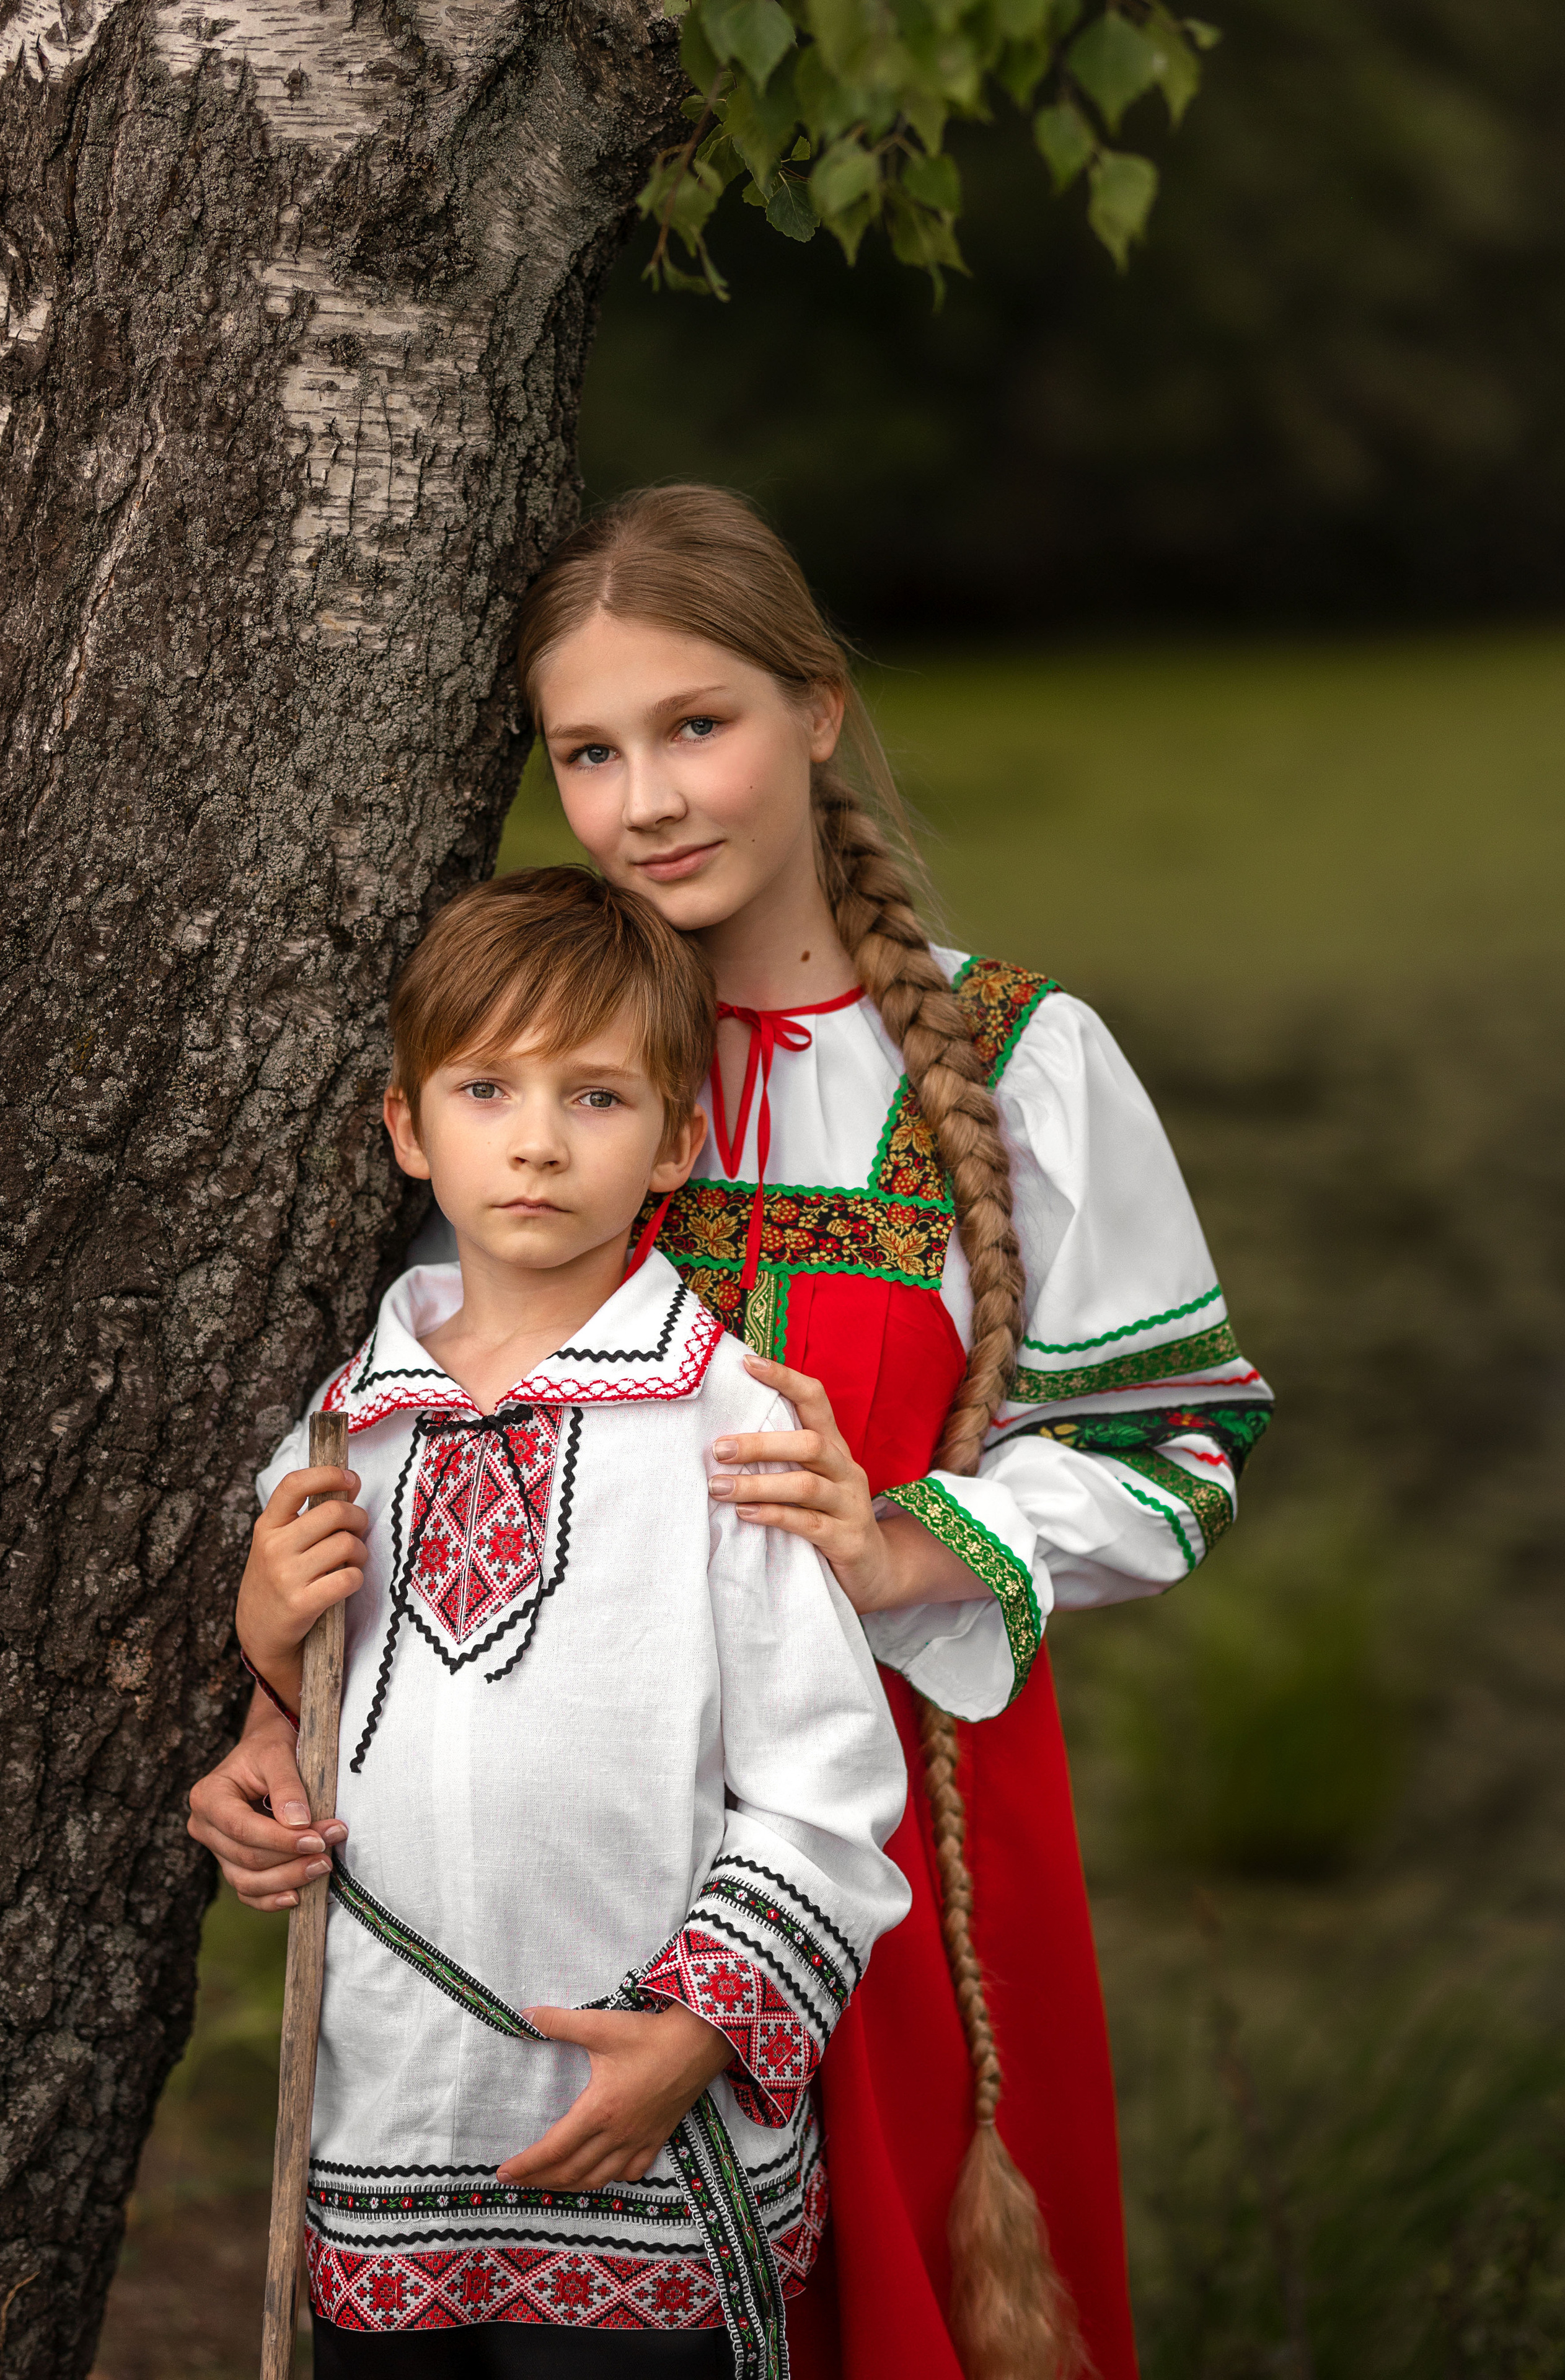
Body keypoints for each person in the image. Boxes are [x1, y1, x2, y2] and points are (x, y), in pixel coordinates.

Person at [190, 487, 1274, 2380]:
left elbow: (1173, 1445)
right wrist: (280, 1699)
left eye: (699, 726)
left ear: (819, 711)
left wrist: (897, 1544)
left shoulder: (1020, 1064)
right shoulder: (535, 1059)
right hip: (552, 1872)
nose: (646, 801)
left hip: (904, 1836)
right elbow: (411, 1436)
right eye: (588, 753)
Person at [232, 865, 911, 2378]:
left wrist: (700, 2032)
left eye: (596, 1098)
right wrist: (266, 1661)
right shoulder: (342, 1433)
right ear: (410, 1126)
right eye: (487, 1088)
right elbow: (317, 1732)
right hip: (388, 2128)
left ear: (678, 1138)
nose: (536, 1141)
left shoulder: (726, 1430)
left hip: (646, 2154)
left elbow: (830, 1786)